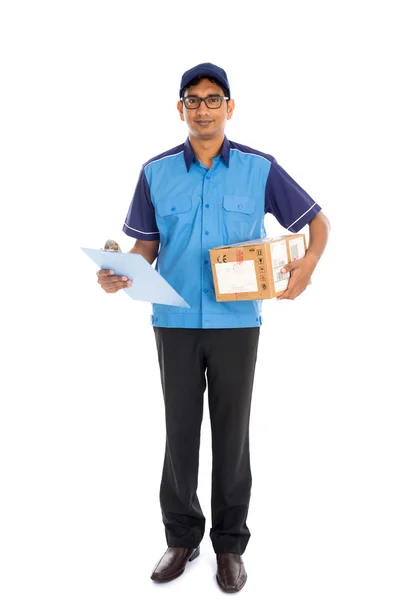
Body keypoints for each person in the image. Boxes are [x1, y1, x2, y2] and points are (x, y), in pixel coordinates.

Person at [96, 62, 330, 593]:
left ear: (230, 107)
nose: (203, 107)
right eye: (193, 99)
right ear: (181, 110)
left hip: (237, 322)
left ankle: (229, 546)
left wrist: (308, 264)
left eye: (212, 98)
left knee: (232, 432)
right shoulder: (155, 172)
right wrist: (120, 277)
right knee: (179, 432)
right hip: (173, 319)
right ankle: (181, 538)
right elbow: (145, 249)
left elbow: (318, 222)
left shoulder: (259, 168)